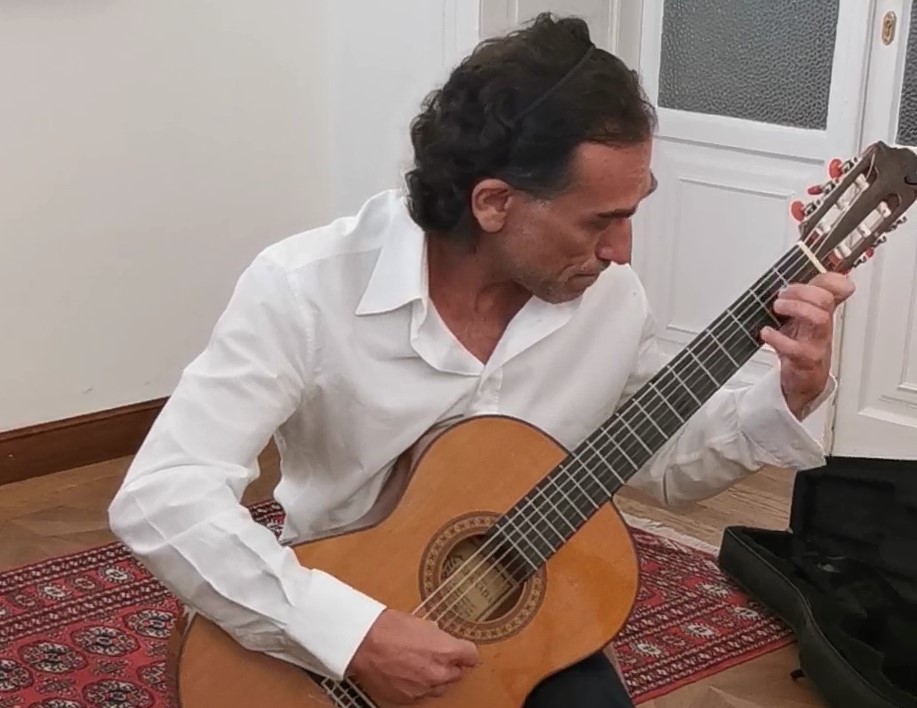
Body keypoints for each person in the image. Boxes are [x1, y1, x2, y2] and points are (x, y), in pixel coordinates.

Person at [108, 12, 854, 708]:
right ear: (494, 203)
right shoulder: (305, 289)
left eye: (631, 214)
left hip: (511, 621)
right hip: (325, 638)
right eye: (601, 221)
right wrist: (355, 635)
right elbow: (163, 495)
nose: (622, 252)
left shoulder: (608, 300)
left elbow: (662, 467)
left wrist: (786, 393)